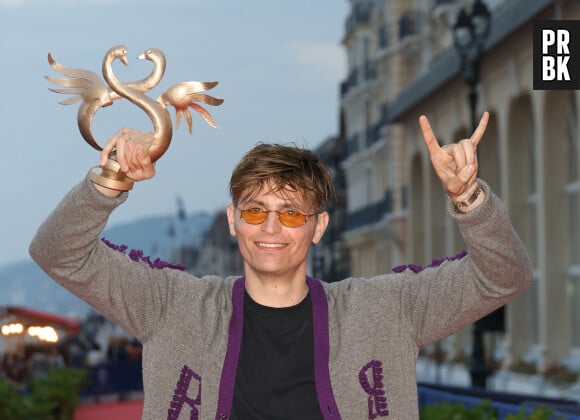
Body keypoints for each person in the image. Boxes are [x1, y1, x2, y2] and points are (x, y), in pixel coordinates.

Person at [30, 111, 533, 419]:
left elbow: (503, 275)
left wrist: (469, 198)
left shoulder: (386, 309)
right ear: (233, 221)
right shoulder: (171, 305)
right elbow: (58, 252)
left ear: (318, 227)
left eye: (291, 213)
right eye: (255, 211)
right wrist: (110, 180)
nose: (271, 228)